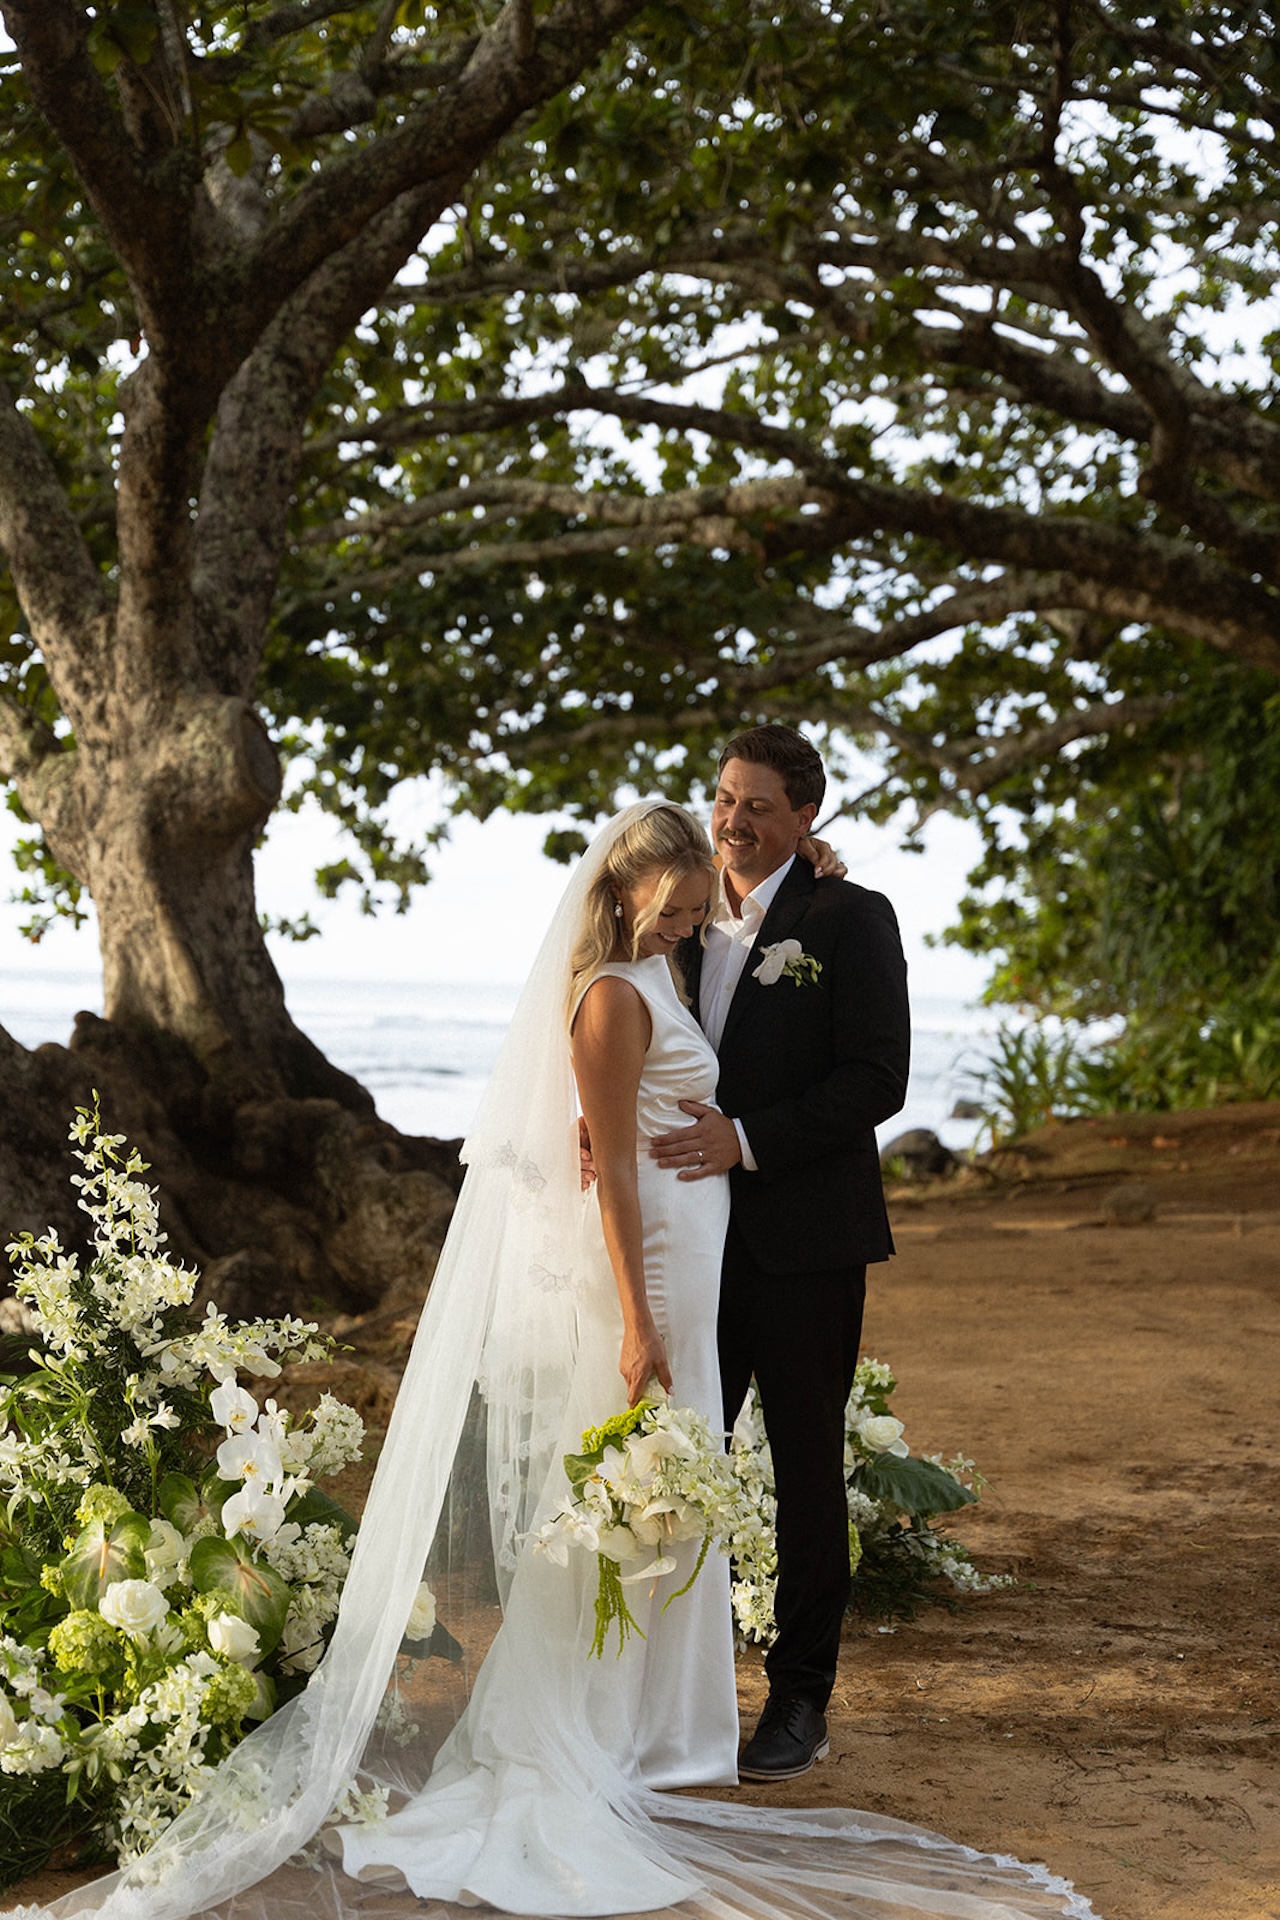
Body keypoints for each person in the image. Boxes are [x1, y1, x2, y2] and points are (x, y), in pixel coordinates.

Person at [16, 801, 1098, 1920]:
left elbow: (670, 1067)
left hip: (699, 1251)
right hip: (656, 1274)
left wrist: (800, 868)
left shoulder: (663, 970)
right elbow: (617, 1175)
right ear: (625, 892)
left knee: (666, 1488)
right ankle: (593, 1728)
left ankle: (654, 1727)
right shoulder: (611, 996)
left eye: (693, 907)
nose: (688, 922)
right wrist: (637, 1316)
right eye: (672, 907)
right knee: (633, 1483)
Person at [648, 725, 910, 1781]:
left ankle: (797, 1700)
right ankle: (667, 1693)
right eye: (722, 798)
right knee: (673, 1458)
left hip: (803, 1242)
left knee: (803, 1474)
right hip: (688, 1238)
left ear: (806, 816)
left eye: (758, 804)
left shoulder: (848, 918)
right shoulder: (671, 915)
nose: (733, 820)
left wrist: (745, 1142)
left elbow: (874, 1080)